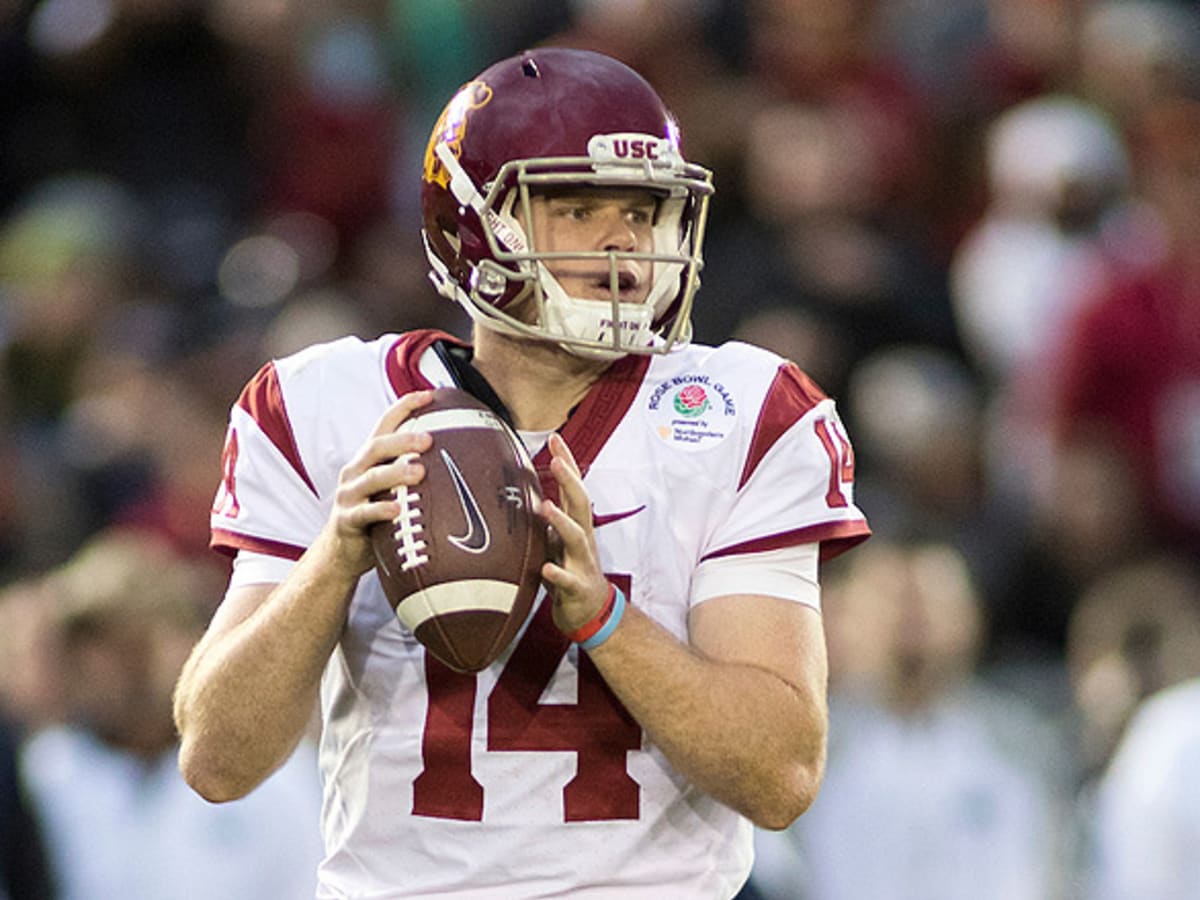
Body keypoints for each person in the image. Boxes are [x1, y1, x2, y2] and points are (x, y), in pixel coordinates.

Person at [173, 47, 870, 898]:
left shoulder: (736, 411)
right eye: (579, 209)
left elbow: (780, 775)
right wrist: (334, 558)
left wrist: (604, 619)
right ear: (470, 228)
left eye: (645, 212)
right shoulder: (328, 408)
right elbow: (216, 760)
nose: (626, 240)